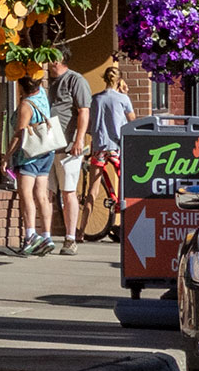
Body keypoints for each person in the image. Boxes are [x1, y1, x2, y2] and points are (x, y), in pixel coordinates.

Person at [47, 55, 94, 250]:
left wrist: (79, 139)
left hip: (68, 146)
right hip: (47, 146)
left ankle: (70, 238)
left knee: (68, 192)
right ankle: (45, 237)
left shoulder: (76, 80)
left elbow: (84, 111)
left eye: (50, 59)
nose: (47, 63)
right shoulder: (47, 81)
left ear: (59, 60)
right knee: (45, 192)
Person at [11, 72, 60, 254]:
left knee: (26, 195)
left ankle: (30, 235)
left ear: (22, 87)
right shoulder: (42, 96)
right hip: (46, 151)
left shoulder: (26, 105)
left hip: (29, 154)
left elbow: (19, 133)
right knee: (42, 194)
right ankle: (46, 236)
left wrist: (7, 155)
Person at [88, 64, 134, 241]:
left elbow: (91, 124)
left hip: (99, 146)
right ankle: (125, 224)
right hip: (116, 146)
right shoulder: (123, 99)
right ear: (119, 80)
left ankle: (80, 229)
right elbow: (132, 122)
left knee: (93, 187)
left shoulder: (95, 99)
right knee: (124, 185)